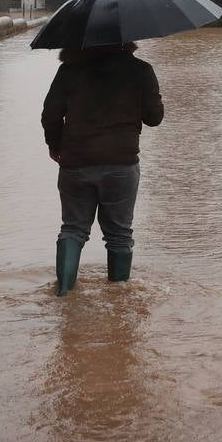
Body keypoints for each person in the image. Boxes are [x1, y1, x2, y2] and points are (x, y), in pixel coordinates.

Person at [41, 41, 164, 296]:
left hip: (76, 162)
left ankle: (63, 293)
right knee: (119, 234)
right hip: (122, 163)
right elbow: (154, 118)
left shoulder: (70, 70)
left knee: (73, 228)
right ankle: (118, 299)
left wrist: (55, 146)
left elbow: (50, 115)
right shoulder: (140, 70)